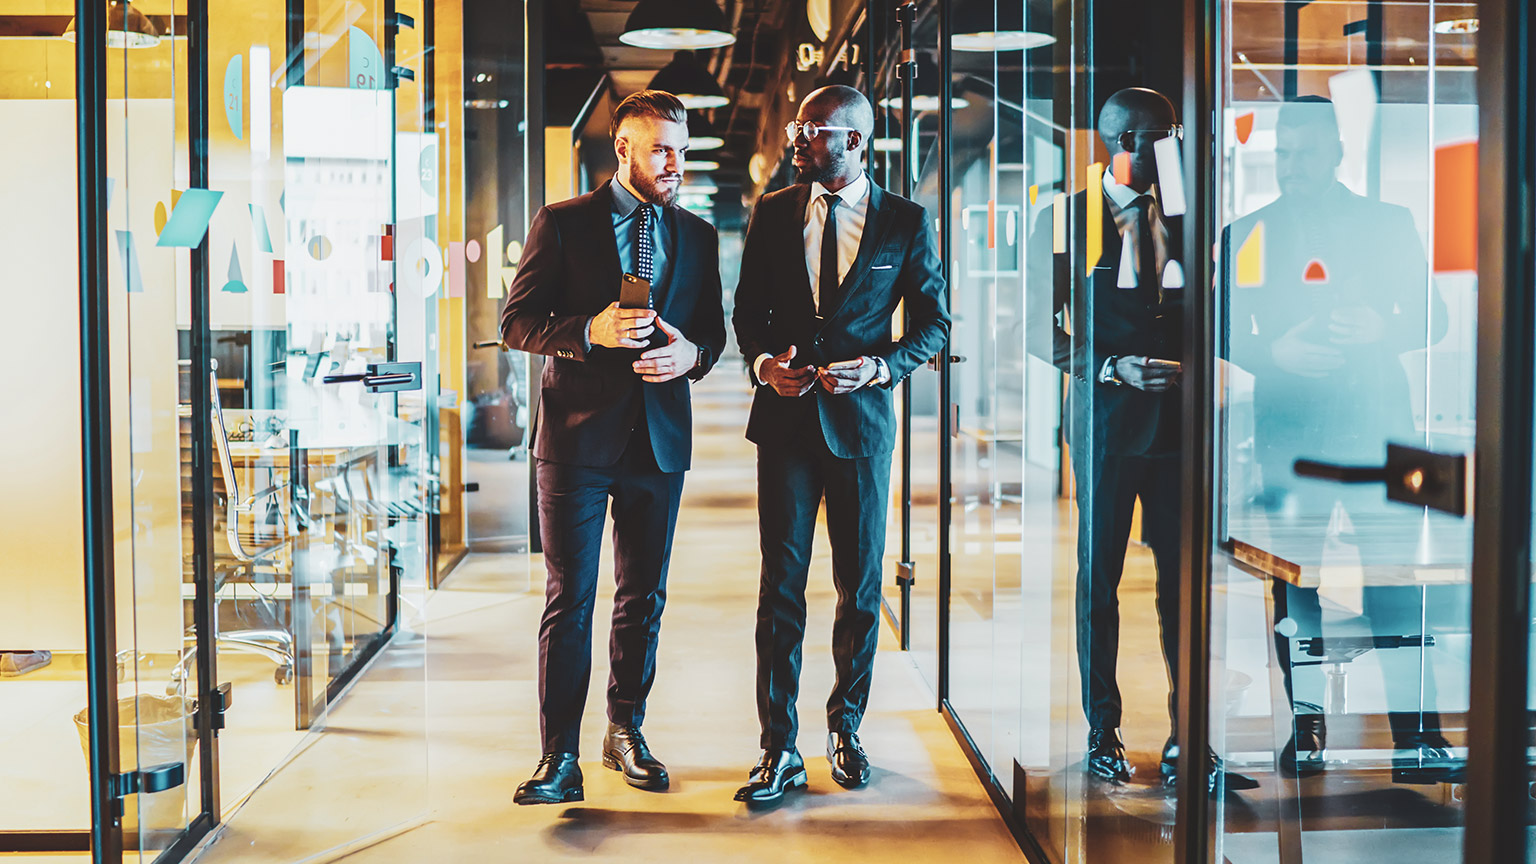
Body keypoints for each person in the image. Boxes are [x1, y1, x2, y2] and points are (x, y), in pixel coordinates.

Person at [500, 89, 726, 805]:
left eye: (683, 150)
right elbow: (517, 322)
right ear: (622, 148)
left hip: (658, 443)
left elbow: (713, 337)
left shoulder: (698, 236)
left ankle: (624, 728)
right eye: (662, 149)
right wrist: (588, 331)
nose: (675, 163)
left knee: (643, 598)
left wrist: (692, 355)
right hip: (574, 440)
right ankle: (557, 756)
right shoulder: (563, 224)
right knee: (571, 597)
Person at [1027, 87, 1254, 792]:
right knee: (1100, 582)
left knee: (1184, 585)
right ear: (1122, 141)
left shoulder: (1194, 221)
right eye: (1162, 137)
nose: (1174, 149)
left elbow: (1219, 316)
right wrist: (1109, 366)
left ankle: (1192, 737)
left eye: (1176, 135)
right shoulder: (1064, 219)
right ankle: (1103, 732)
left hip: (1181, 429)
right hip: (1104, 425)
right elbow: (1036, 330)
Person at [1222, 96, 1454, 782]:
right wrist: (1275, 357)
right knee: (1294, 595)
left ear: (1336, 152)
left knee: (1399, 587)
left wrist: (1385, 329)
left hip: (1380, 431)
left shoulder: (1389, 224)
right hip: (1288, 435)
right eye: (1281, 153)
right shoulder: (1245, 231)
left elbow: (1432, 319)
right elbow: (1220, 329)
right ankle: (1308, 729)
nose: (1291, 165)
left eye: (1305, 151)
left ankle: (1420, 739)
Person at [731, 85, 950, 805]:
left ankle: (846, 729)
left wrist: (884, 365)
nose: (798, 140)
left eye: (812, 130)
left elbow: (935, 324)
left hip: (860, 430)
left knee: (858, 591)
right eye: (797, 127)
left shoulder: (906, 223)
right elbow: (747, 312)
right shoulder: (773, 213)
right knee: (780, 591)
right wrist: (765, 365)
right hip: (786, 428)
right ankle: (777, 748)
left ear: (855, 141)